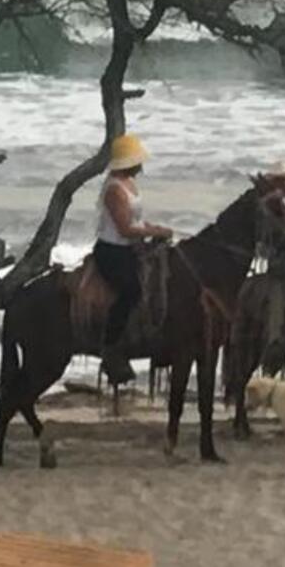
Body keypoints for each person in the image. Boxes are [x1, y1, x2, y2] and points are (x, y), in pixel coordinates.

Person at [95, 133, 174, 384]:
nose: (141, 164)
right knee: (131, 290)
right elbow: (125, 229)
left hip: (130, 247)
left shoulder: (129, 182)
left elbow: (137, 221)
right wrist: (154, 232)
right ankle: (111, 347)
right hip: (113, 251)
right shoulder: (114, 190)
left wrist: (154, 227)